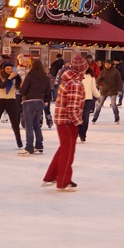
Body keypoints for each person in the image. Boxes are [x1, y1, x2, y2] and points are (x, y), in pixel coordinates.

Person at [42, 55, 88, 192]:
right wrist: (79, 123)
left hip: (62, 119)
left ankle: (51, 176)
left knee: (64, 148)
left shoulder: (69, 80)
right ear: (82, 69)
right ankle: (63, 182)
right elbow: (72, 108)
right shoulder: (75, 84)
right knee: (68, 152)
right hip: (68, 121)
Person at [18, 59, 50, 155]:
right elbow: (48, 91)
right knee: (36, 124)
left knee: (29, 125)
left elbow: (22, 91)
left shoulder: (30, 76)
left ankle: (29, 146)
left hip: (29, 101)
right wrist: (46, 100)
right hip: (39, 101)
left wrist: (20, 88)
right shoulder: (45, 77)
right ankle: (39, 145)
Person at [92, 60, 122, 124]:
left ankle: (116, 117)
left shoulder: (115, 72)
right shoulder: (103, 71)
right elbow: (99, 79)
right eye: (106, 64)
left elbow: (119, 81)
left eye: (108, 64)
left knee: (113, 104)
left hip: (113, 90)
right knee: (99, 104)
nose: (107, 65)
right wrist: (96, 83)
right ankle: (95, 117)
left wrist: (119, 90)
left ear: (111, 65)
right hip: (104, 90)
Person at [79, 67, 97, 142]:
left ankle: (83, 134)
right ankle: (77, 131)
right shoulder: (75, 75)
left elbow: (93, 88)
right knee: (77, 117)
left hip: (88, 99)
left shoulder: (91, 76)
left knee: (85, 117)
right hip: (77, 99)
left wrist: (98, 96)